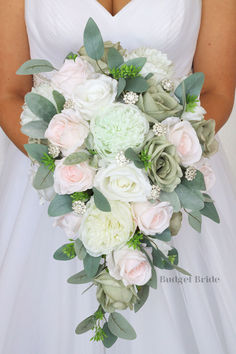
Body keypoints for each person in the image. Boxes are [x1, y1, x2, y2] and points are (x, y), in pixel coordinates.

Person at [0, 0, 235, 353]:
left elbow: (216, 89)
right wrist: (80, 171)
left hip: (170, 183)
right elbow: (8, 93)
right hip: (52, 186)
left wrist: (155, 168)